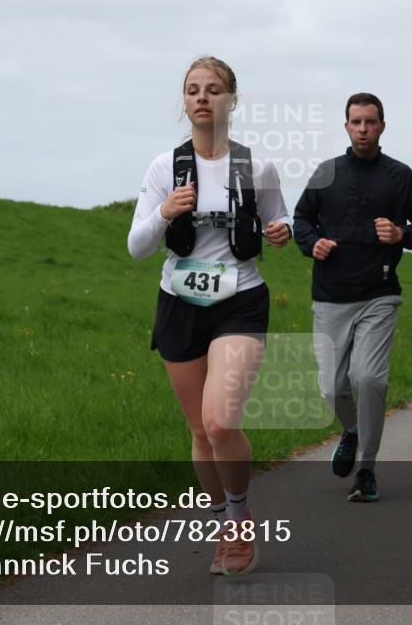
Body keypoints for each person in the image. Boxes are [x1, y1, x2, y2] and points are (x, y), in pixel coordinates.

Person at [127, 56, 291, 575]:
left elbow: (277, 217)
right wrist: (165, 211)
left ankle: (240, 525)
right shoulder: (164, 167)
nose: (202, 97)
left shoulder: (255, 167)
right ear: (184, 101)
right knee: (199, 429)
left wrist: (281, 229)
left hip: (239, 298)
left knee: (222, 422)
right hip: (179, 300)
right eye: (193, 89)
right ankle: (223, 525)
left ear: (231, 99)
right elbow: (136, 246)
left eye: (213, 89)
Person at [293, 92, 412, 503]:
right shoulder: (326, 172)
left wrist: (402, 234)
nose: (363, 129)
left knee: (369, 379)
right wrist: (312, 243)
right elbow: (301, 219)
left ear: (382, 126)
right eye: (356, 122)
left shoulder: (400, 176)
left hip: (378, 295)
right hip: (329, 297)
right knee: (331, 388)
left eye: (370, 122)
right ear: (346, 126)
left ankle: (367, 469)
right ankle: (352, 430)